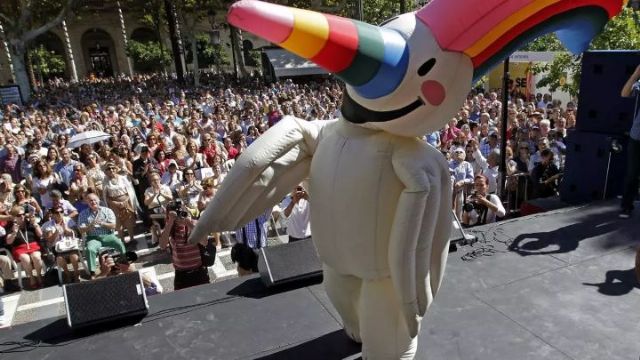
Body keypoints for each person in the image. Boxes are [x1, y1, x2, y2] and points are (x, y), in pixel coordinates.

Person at [159, 204, 210, 290]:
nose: (178, 217)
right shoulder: (170, 228)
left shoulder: (194, 224)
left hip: (198, 271)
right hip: (181, 274)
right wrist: (170, 222)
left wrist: (188, 224)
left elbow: (204, 242)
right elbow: (162, 245)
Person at [77, 193, 126, 277]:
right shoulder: (83, 214)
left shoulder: (107, 211)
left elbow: (113, 225)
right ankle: (92, 272)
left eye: (94, 200)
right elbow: (81, 230)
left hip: (107, 235)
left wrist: (102, 223)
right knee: (90, 249)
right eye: (90, 201)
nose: (93, 202)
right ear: (87, 203)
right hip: (93, 238)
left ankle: (124, 263)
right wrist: (89, 226)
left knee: (119, 243)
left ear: (98, 200)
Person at [5, 205, 45, 288]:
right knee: (25, 258)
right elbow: (8, 242)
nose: (22, 216)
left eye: (23, 214)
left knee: (37, 257)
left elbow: (40, 234)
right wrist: (14, 233)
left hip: (33, 246)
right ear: (14, 217)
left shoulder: (30, 223)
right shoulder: (10, 226)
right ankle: (31, 278)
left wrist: (35, 224)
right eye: (19, 215)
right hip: (20, 249)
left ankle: (39, 276)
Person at [619, 64, 640, 218]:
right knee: (632, 173)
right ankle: (626, 206)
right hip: (637, 136)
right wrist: (635, 74)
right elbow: (625, 93)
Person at [42, 205, 80, 283]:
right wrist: (56, 232)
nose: (59, 214)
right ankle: (68, 274)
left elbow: (76, 233)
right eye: (56, 212)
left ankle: (76, 274)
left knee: (74, 256)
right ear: (52, 214)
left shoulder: (68, 220)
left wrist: (67, 230)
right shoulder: (48, 225)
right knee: (59, 259)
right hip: (58, 247)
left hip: (71, 245)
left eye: (61, 212)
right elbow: (50, 240)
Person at [102, 162, 137, 244]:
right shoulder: (105, 181)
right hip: (114, 204)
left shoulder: (122, 178)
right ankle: (122, 241)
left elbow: (130, 191)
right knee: (118, 223)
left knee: (129, 221)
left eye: (112, 168)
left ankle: (132, 239)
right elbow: (105, 196)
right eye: (108, 169)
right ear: (106, 171)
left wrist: (126, 201)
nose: (111, 170)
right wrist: (115, 203)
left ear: (116, 169)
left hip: (126, 202)